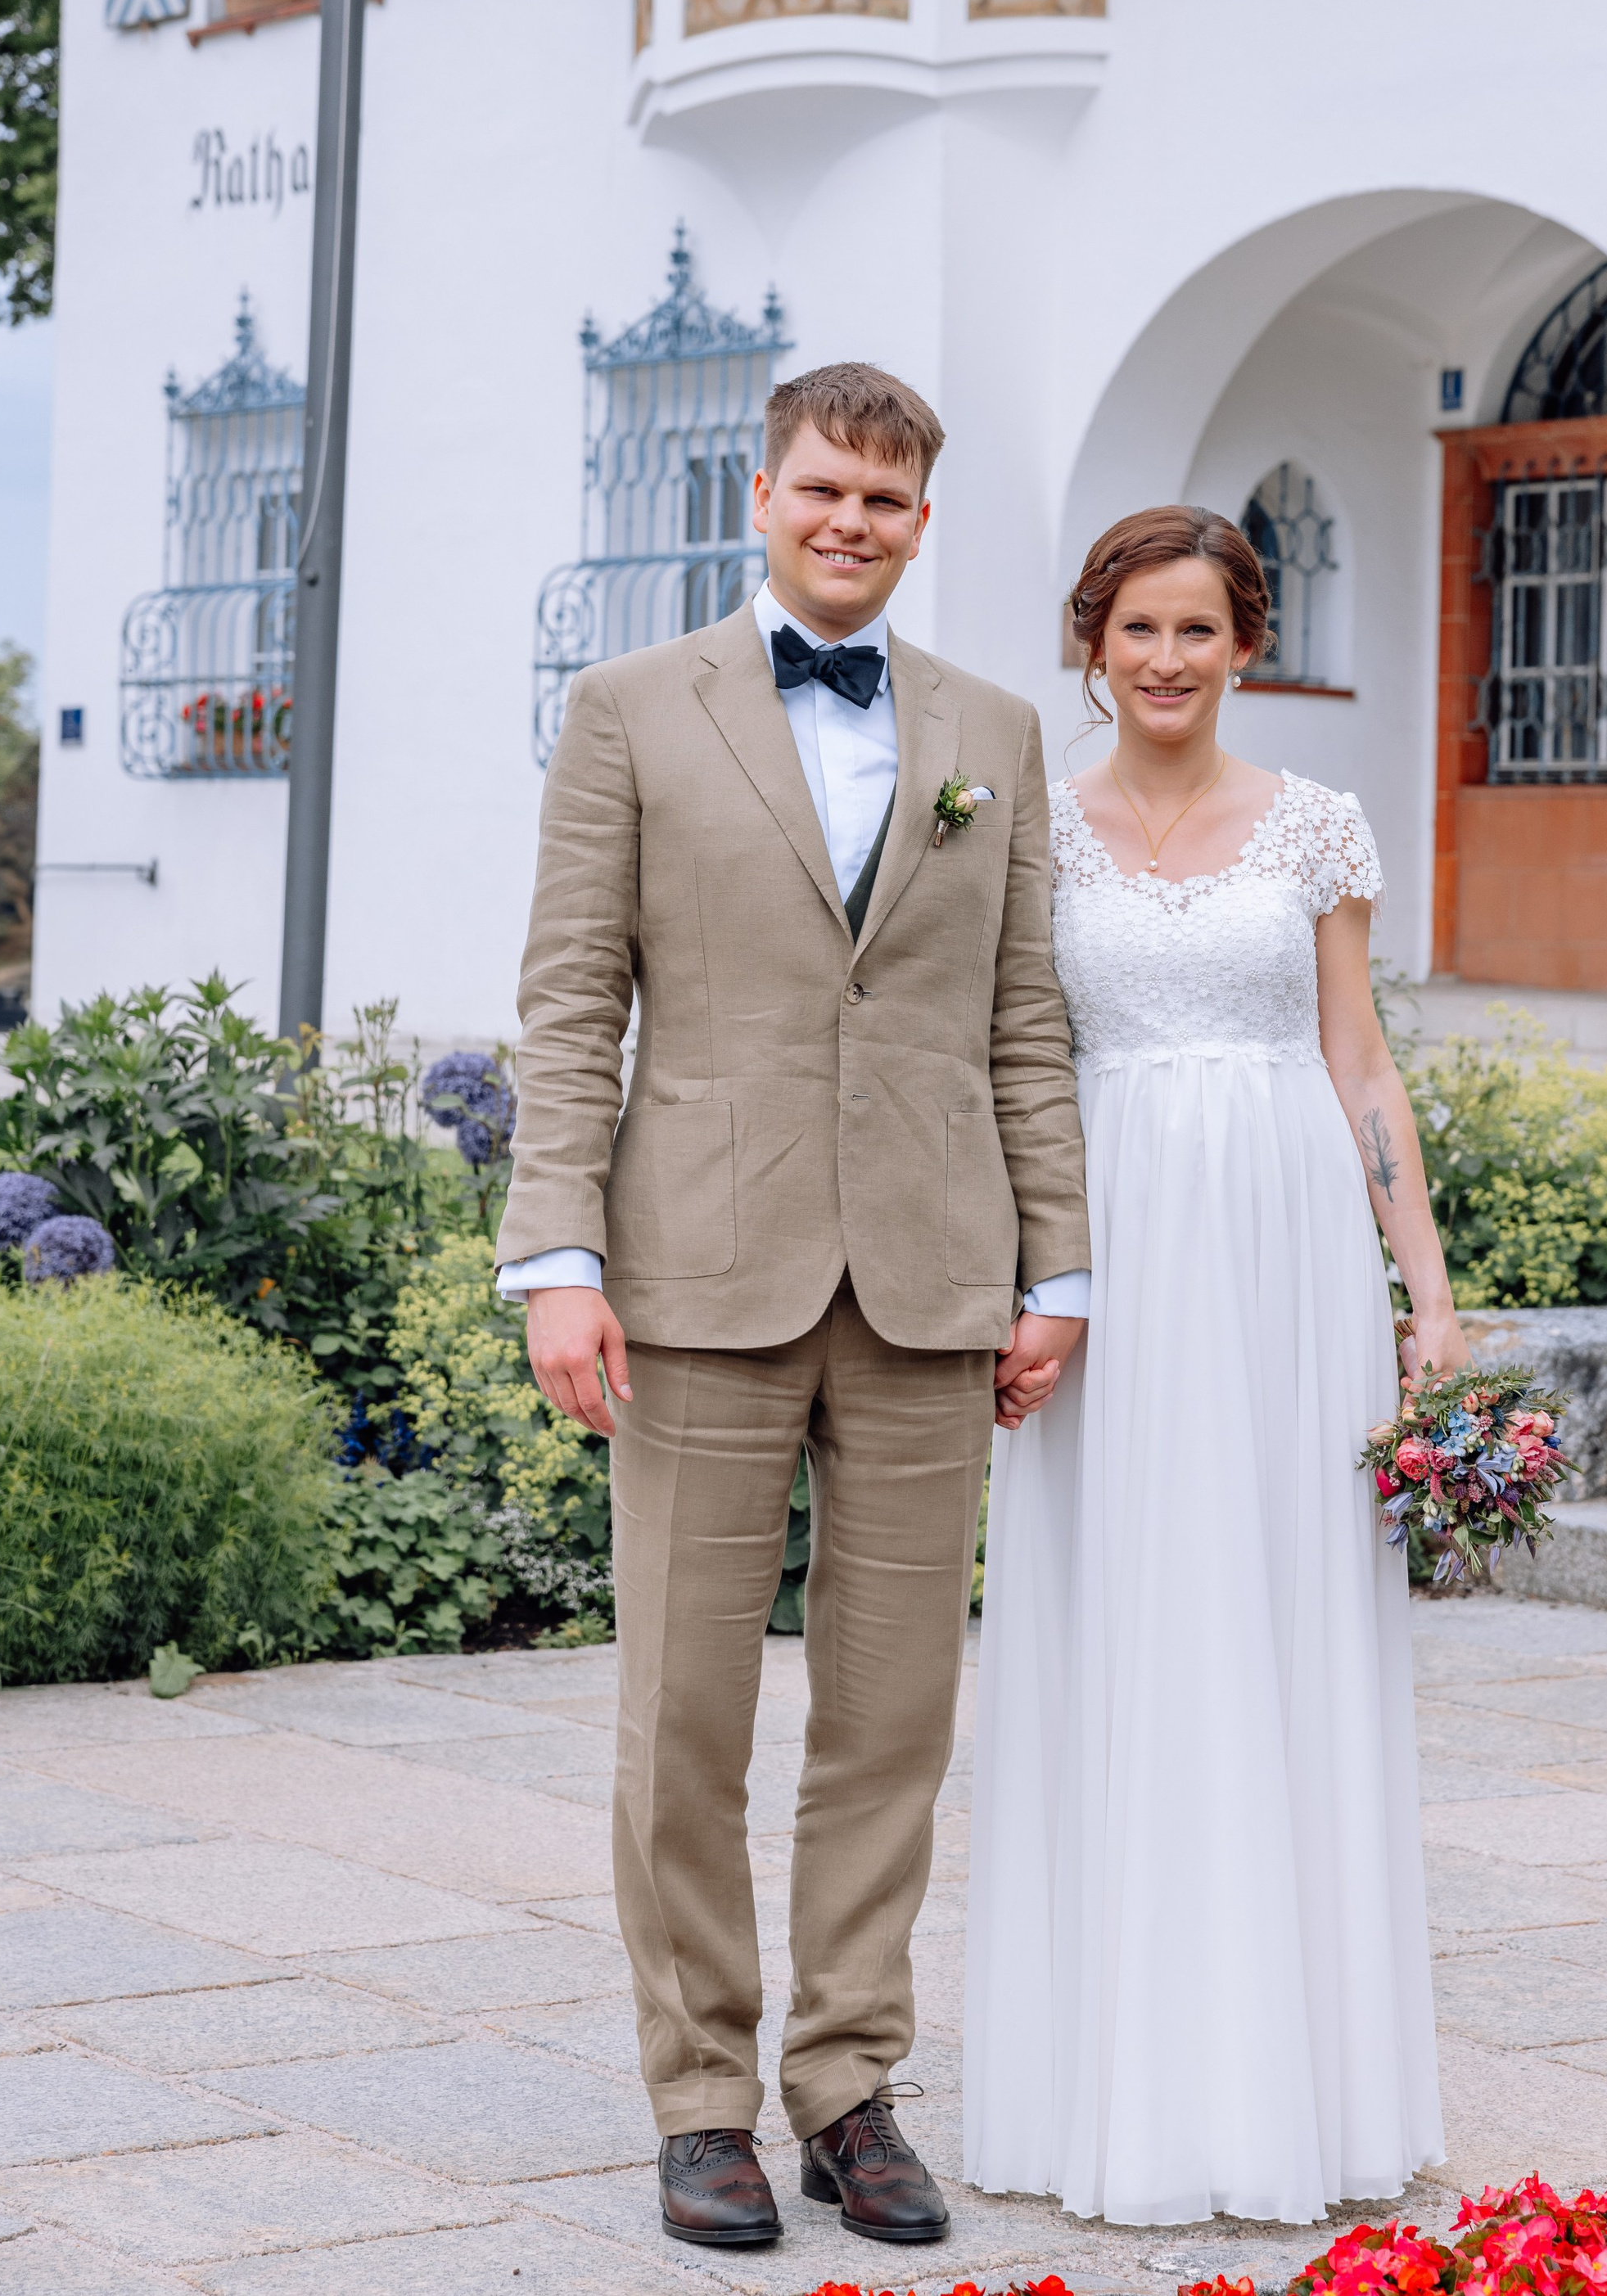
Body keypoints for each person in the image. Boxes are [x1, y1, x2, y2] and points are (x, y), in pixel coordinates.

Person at [497, 363, 1091, 2256]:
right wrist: (558, 1260)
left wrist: (1054, 1264)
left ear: (925, 521)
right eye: (821, 488)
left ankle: (846, 2081)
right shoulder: (627, 709)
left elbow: (1019, 1018)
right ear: (761, 493)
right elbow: (572, 1000)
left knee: (893, 1714)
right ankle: (697, 2096)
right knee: (682, 1707)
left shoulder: (989, 725)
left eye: (885, 500)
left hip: (931, 1278)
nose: (848, 521)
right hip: (694, 1271)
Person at [964, 503, 1467, 2226]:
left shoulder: (1314, 825)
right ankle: (1104, 2072)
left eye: (1198, 628)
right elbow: (993, 1060)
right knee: (1113, 1614)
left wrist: (1426, 1295)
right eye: (1135, 628)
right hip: (1102, 1248)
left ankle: (1292, 2082)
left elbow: (1363, 1066)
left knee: (1276, 1619)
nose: (1165, 659)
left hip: (1280, 1248)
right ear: (1087, 642)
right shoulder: (1026, 830)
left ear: (1246, 643)